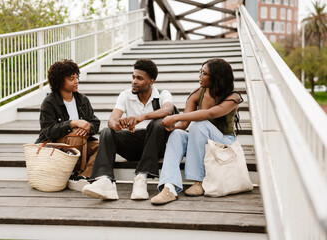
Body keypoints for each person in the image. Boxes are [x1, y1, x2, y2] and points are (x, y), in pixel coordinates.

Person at [150, 58, 243, 205]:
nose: (200, 76)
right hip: (202, 141)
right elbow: (184, 124)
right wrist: (170, 127)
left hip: (225, 143)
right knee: (177, 135)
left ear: (216, 77)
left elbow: (211, 113)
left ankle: (199, 181)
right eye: (201, 72)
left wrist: (175, 116)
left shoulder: (233, 97)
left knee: (198, 124)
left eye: (204, 74)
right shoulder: (197, 94)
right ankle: (169, 187)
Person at [82, 58, 174, 200]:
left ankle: (141, 178)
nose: (134, 81)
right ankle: (105, 181)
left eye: (139, 78)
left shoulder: (162, 94)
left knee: (158, 123)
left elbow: (168, 110)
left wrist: (141, 117)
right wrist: (117, 124)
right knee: (107, 132)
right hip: (133, 143)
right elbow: (111, 120)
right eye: (133, 77)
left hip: (155, 144)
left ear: (151, 81)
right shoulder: (125, 95)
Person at [35, 59, 100, 191]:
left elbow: (95, 122)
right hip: (55, 146)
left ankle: (83, 176)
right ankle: (73, 173)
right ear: (59, 81)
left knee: (103, 145)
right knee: (77, 135)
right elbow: (49, 131)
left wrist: (88, 127)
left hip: (79, 143)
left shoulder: (82, 100)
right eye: (71, 78)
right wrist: (73, 123)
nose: (76, 81)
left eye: (77, 77)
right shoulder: (49, 102)